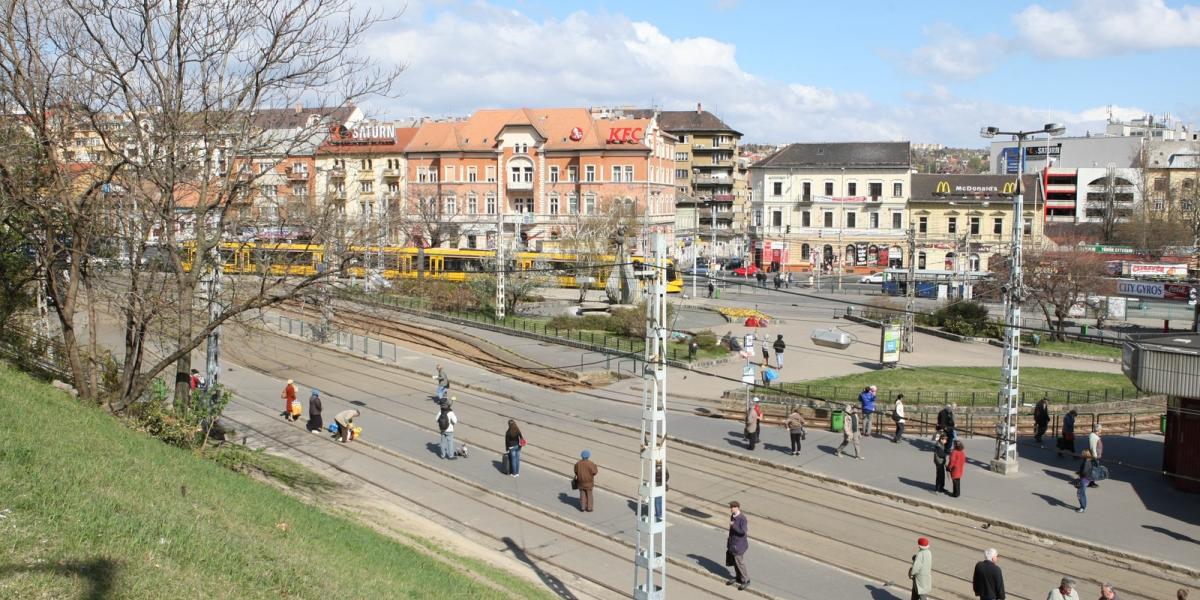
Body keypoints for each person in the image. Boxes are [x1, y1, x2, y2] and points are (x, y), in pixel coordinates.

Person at [725, 501, 750, 590]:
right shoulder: (733, 516)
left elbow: (743, 532)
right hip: (733, 543)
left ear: (737, 508)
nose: (731, 508)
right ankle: (739, 577)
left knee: (740, 563)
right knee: (735, 562)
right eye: (731, 507)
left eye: (733, 507)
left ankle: (746, 580)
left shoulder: (742, 518)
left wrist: (733, 525)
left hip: (739, 545)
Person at [1076, 449, 1095, 513]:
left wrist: (1080, 473)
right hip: (1087, 479)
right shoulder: (1089, 460)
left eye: (1083, 453)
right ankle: (1083, 506)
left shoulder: (1086, 462)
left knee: (1080, 493)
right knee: (1082, 493)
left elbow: (1084, 472)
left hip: (1084, 479)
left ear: (1085, 455)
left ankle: (1082, 507)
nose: (1081, 454)